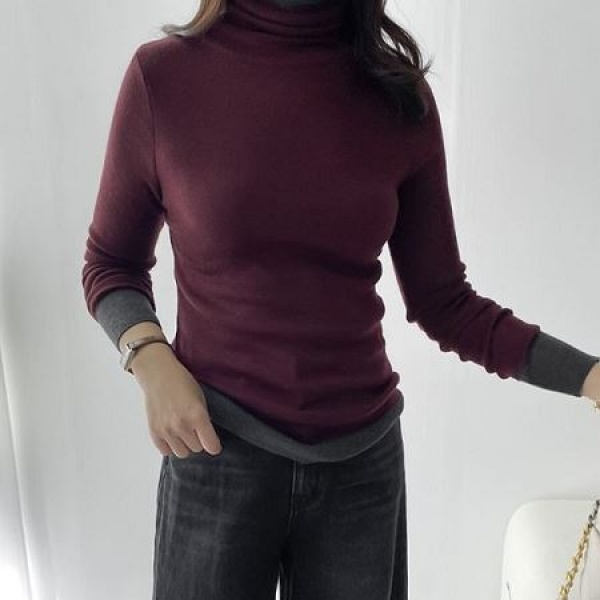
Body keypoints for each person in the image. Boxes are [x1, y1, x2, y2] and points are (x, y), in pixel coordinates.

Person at [81, 0, 600, 598]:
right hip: (216, 452)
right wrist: (150, 358)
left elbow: (444, 301)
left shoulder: (398, 96)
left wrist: (589, 377)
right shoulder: (164, 78)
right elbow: (111, 262)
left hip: (361, 473)